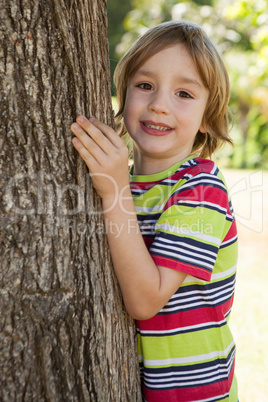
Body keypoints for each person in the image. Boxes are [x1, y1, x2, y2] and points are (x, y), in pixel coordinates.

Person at [71, 20, 238, 402]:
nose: (159, 104)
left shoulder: (201, 187)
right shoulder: (123, 183)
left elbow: (146, 301)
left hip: (195, 394)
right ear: (122, 94)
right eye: (145, 86)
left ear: (208, 118)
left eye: (184, 93)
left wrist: (113, 190)